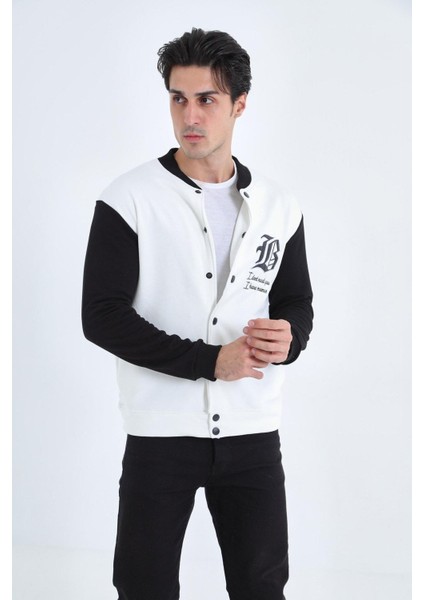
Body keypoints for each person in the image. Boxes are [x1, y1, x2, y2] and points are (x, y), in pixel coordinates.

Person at [82, 27, 313, 600]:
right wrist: (210, 362)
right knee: (144, 585)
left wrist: (290, 337)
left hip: (253, 431)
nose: (190, 115)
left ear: (239, 104)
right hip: (161, 433)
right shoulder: (128, 198)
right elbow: (101, 315)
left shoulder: (279, 206)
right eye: (178, 98)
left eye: (207, 99)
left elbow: (295, 302)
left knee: (262, 587)